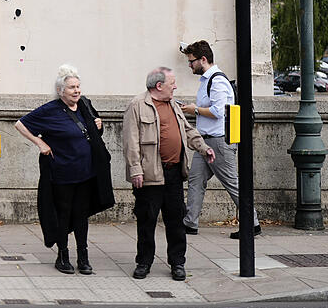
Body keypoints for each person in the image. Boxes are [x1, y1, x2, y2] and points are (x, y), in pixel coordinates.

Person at [14, 65, 114, 275]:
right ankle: (63, 255)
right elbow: (20, 124)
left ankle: (83, 257)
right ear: (61, 91)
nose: (76, 91)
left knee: (81, 215)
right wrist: (40, 143)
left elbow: (95, 133)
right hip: (62, 173)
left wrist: (99, 125)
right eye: (71, 88)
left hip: (86, 172)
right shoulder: (50, 110)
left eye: (78, 86)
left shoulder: (85, 105)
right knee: (64, 214)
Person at [123, 67, 214, 281]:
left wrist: (203, 147)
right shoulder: (137, 105)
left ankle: (178, 263)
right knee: (147, 221)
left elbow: (188, 130)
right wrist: (136, 170)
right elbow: (131, 142)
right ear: (159, 85)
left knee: (175, 221)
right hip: (149, 175)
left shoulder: (173, 104)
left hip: (174, 173)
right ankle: (144, 262)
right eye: (172, 82)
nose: (175, 86)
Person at [181, 40, 261, 239]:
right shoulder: (207, 81)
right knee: (195, 180)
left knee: (232, 183)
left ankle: (252, 224)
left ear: (203, 59)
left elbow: (218, 111)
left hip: (218, 142)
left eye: (191, 62)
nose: (189, 65)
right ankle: (189, 223)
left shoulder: (217, 81)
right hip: (205, 141)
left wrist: (195, 110)